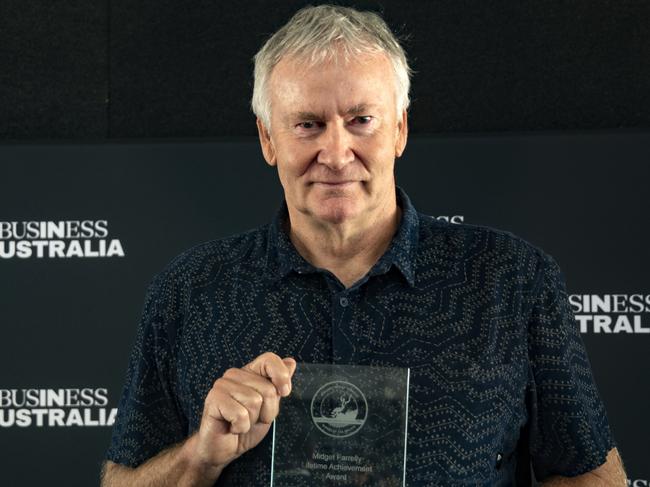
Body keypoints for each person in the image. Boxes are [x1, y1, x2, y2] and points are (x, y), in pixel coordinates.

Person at [101, 5, 626, 486]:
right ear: (267, 139)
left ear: (399, 129)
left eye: (361, 121)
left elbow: (588, 475)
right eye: (307, 124)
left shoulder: (511, 279)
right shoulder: (190, 291)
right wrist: (201, 456)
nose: (335, 152)